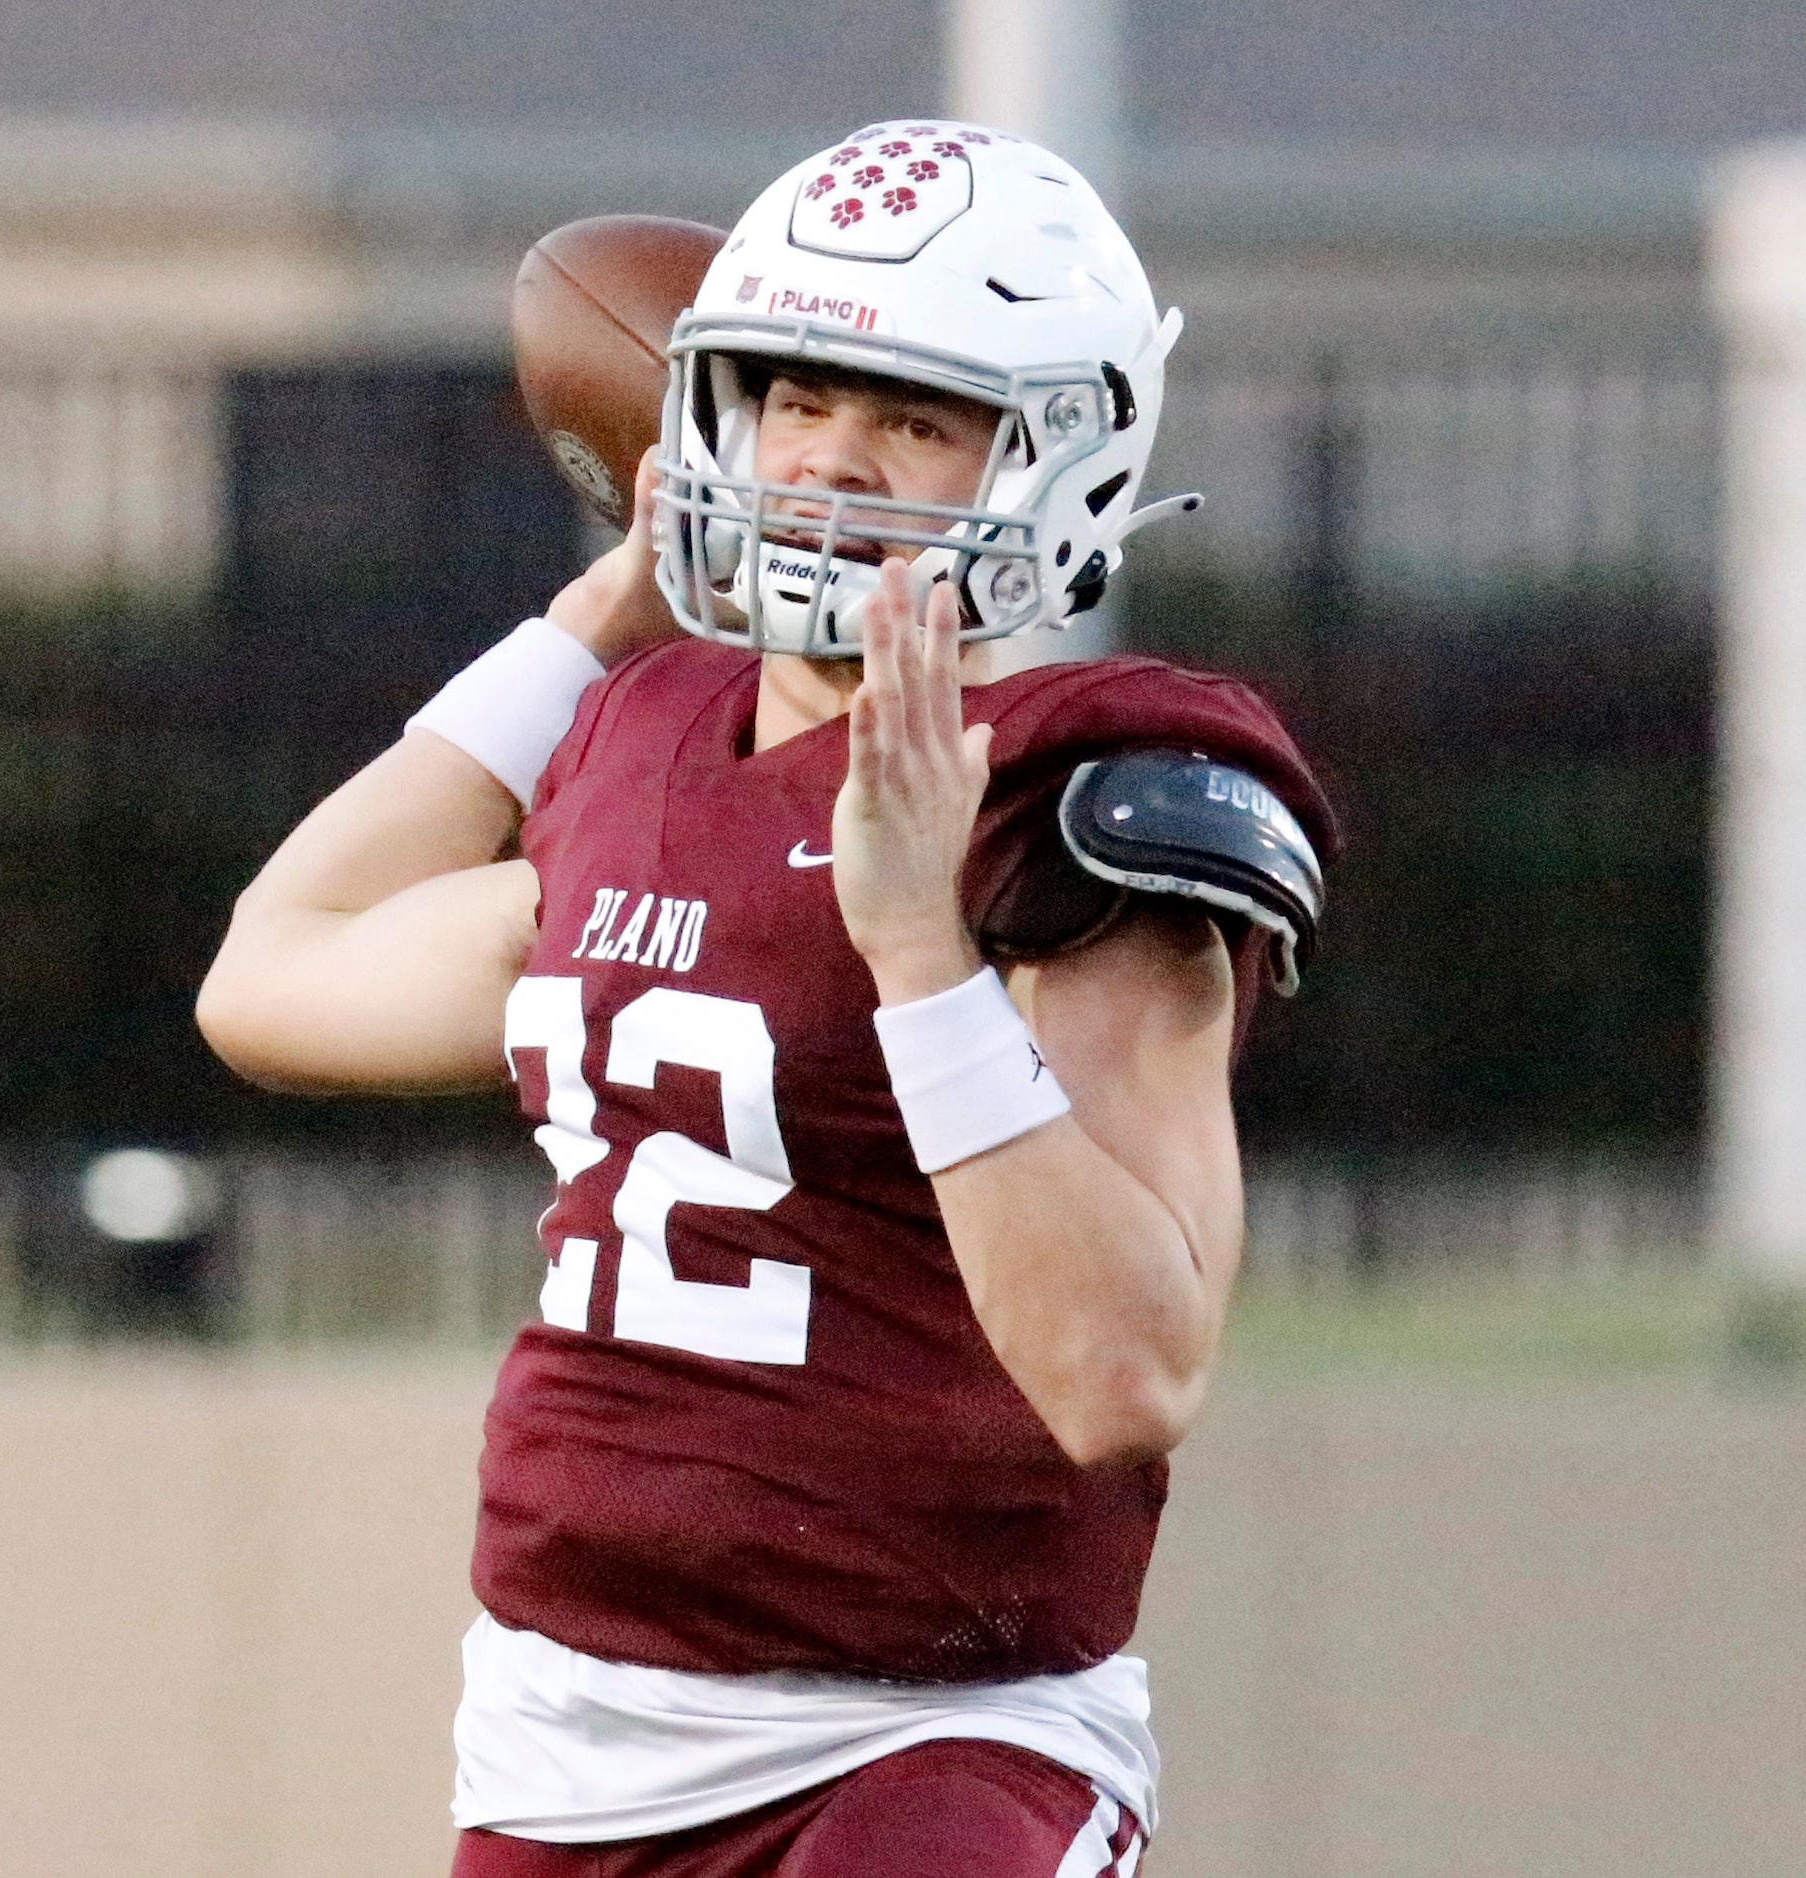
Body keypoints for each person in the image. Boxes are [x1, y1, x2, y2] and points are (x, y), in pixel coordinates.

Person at [198, 120, 1334, 1878]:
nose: (831, 463)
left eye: (914, 419)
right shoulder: (639, 740)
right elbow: (275, 971)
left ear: (1054, 456)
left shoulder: (1084, 802)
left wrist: (915, 949)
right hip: (565, 1744)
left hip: (930, 1739)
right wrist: (590, 617)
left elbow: (1124, 1373)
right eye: (794, 397)